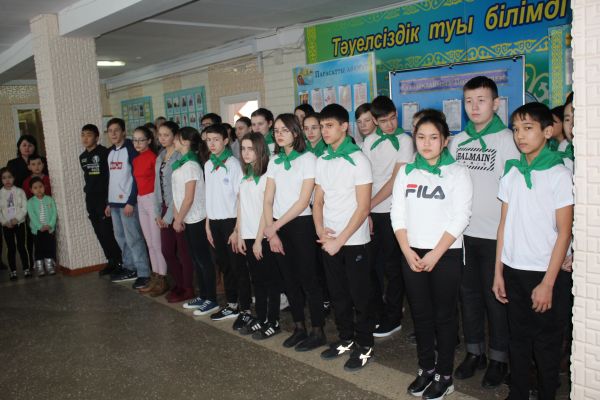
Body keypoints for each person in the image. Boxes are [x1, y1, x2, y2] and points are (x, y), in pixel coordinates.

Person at [492, 102, 573, 400]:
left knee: (547, 344)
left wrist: (548, 283)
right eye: (516, 129)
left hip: (545, 274)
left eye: (528, 128)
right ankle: (518, 393)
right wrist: (498, 272)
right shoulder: (512, 172)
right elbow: (504, 225)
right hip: (514, 270)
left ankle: (547, 393)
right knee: (518, 339)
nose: (520, 136)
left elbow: (564, 232)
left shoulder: (558, 174)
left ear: (548, 132)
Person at [391, 114, 473, 399]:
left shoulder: (458, 173)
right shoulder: (406, 172)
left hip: (445, 254)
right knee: (421, 315)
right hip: (411, 253)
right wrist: (406, 250)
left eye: (433, 137)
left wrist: (435, 254)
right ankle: (426, 368)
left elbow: (462, 216)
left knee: (444, 317)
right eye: (421, 137)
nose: (426, 143)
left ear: (445, 140)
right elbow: (397, 213)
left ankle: (444, 375)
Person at [447, 76, 519, 387]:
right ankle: (474, 352)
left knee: (496, 298)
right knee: (468, 296)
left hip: (495, 236)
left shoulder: (507, 140)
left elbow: (514, 192)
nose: (474, 107)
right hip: (462, 235)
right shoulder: (457, 141)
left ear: (496, 103)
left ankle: (499, 358)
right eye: (468, 101)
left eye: (481, 100)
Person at [313, 104, 375, 371]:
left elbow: (363, 208)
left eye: (329, 126)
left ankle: (365, 345)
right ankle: (346, 339)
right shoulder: (322, 160)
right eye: (322, 126)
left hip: (353, 241)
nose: (324, 131)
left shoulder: (359, 160)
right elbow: (317, 201)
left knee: (360, 297)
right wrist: (320, 230)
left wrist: (340, 241)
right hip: (329, 241)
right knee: (338, 295)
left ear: (344, 127)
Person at [263, 113, 326, 352]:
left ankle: (318, 331)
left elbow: (302, 201)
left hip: (301, 225)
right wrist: (272, 233)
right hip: (277, 227)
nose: (279, 134)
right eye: (276, 131)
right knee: (288, 279)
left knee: (308, 280)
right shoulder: (274, 161)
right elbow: (267, 199)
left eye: (284, 130)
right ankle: (299, 327)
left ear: (295, 132)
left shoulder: (308, 159)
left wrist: (274, 227)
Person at [362, 95, 414, 337]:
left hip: (394, 212)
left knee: (393, 268)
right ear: (375, 121)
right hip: (370, 212)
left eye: (393, 118)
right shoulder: (369, 141)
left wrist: (367, 207)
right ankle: (378, 311)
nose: (390, 124)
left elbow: (395, 180)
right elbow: (364, 178)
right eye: (383, 121)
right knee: (371, 266)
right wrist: (365, 210)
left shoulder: (405, 140)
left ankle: (394, 317)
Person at [235, 132, 282, 339]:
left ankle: (273, 321)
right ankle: (261, 318)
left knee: (270, 281)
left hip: (262, 237)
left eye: (250, 149)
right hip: (247, 236)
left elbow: (266, 211)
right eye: (243, 149)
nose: (246, 153)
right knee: (258, 281)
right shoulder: (245, 177)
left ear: (260, 150)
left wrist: (258, 240)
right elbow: (241, 208)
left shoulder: (265, 178)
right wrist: (238, 233)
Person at [204, 123, 251, 328]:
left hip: (231, 222)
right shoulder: (208, 164)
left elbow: (241, 198)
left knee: (238, 267)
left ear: (225, 141)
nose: (212, 144)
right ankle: (232, 304)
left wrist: (237, 229)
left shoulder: (233, 165)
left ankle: (245, 309)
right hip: (214, 222)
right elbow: (209, 196)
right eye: (208, 140)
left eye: (216, 140)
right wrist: (208, 224)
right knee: (224, 265)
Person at [171, 127, 216, 308]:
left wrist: (178, 219)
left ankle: (211, 299)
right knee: (195, 259)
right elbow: (177, 194)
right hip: (186, 218)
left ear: (186, 142)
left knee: (203, 260)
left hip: (197, 217)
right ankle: (202, 295)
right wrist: (177, 216)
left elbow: (189, 197)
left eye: (176, 138)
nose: (174, 141)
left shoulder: (191, 165)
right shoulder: (182, 163)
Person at [104, 118, 151, 289]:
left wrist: (131, 201)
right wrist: (109, 202)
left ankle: (144, 273)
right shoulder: (110, 152)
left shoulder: (131, 149)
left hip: (128, 203)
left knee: (134, 238)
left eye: (116, 130)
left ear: (124, 132)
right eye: (110, 131)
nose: (113, 134)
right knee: (120, 238)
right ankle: (130, 267)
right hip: (114, 203)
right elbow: (112, 179)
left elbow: (136, 178)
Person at [79, 124, 122, 276]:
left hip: (104, 198)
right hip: (90, 198)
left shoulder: (105, 153)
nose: (85, 138)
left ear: (97, 138)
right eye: (83, 135)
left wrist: (109, 201)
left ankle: (119, 261)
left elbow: (111, 177)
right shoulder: (82, 157)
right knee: (99, 232)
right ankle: (110, 260)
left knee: (107, 231)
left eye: (89, 135)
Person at [131, 126, 169, 296]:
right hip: (141, 200)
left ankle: (162, 279)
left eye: (141, 140)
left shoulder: (154, 158)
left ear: (149, 141)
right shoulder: (136, 159)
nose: (137, 143)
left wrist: (158, 206)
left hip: (153, 200)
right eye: (135, 140)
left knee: (157, 243)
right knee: (149, 244)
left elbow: (159, 184)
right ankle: (154, 277)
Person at [0, 168, 29, 280]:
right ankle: (13, 271)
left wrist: (17, 219)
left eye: (10, 177)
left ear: (14, 178)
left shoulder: (20, 191)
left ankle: (26, 269)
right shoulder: (0, 193)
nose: (7, 180)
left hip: (19, 224)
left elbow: (24, 207)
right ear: (1, 180)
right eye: (4, 178)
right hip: (6, 225)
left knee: (21, 246)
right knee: (11, 248)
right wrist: (4, 222)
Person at [27, 177, 58, 277]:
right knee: (39, 248)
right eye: (35, 188)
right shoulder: (30, 202)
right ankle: (39, 266)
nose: (39, 189)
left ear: (44, 187)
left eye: (40, 186)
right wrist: (40, 226)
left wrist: (50, 225)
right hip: (37, 230)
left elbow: (54, 213)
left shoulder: (49, 199)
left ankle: (49, 265)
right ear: (31, 190)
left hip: (49, 229)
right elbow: (32, 216)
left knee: (49, 246)